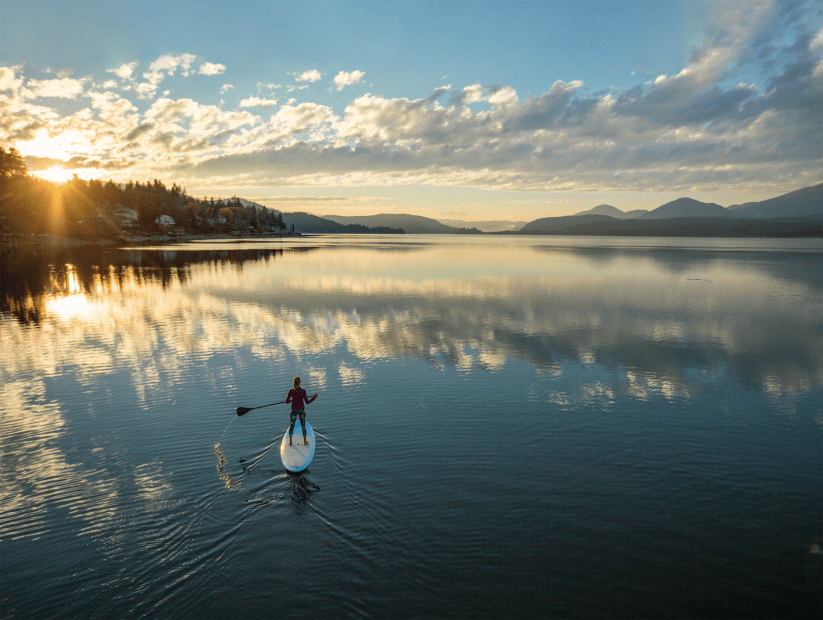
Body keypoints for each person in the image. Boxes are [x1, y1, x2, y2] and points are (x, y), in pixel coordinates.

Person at [285, 376, 317, 446]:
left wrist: (291, 400)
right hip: (301, 410)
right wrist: (314, 397)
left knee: (292, 425)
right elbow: (307, 402)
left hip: (293, 410)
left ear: (293, 382)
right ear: (299, 383)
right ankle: (305, 441)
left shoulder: (291, 391)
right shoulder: (303, 391)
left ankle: (290, 441)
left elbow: (286, 401)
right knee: (303, 425)